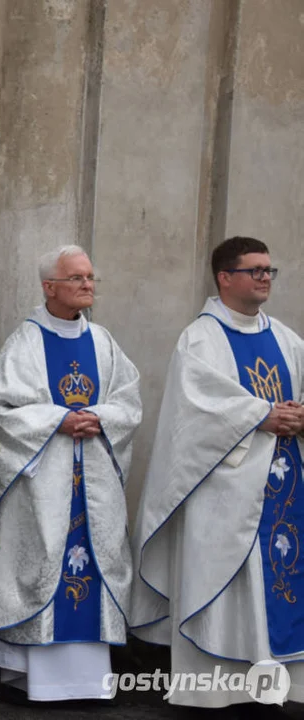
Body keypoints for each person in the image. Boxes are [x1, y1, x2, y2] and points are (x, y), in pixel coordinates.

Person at [132, 236, 304, 712]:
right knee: (229, 591)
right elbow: (194, 416)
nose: (266, 278)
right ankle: (216, 692)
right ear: (225, 277)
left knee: (278, 584)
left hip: (284, 490)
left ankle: (278, 687)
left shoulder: (287, 339)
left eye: (270, 270)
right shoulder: (200, 339)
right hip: (224, 494)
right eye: (255, 270)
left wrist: (298, 417)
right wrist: (261, 416)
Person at [0, 245, 141, 702]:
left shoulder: (104, 341)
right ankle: (35, 680)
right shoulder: (25, 342)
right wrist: (57, 420)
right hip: (43, 480)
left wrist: (101, 418)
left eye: (91, 277)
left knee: (93, 565)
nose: (87, 285)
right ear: (49, 286)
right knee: (44, 558)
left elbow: (129, 401)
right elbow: (3, 411)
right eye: (76, 278)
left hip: (93, 475)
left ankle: (90, 683)